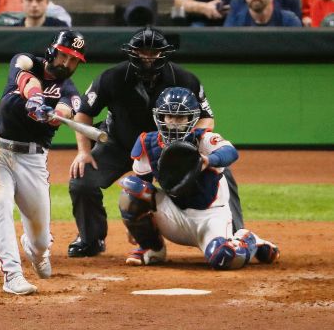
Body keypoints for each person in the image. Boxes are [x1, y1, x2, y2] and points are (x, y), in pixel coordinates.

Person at [66, 26, 244, 258]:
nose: (147, 57)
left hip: (166, 147)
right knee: (81, 180)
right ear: (131, 52)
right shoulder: (112, 77)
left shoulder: (184, 78)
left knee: (221, 171)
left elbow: (206, 118)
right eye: (142, 51)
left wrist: (186, 147)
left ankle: (235, 235)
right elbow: (83, 113)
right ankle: (91, 239)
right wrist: (83, 151)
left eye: (153, 52)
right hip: (117, 144)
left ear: (164, 53)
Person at [117, 86, 280, 270]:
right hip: (174, 214)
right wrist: (134, 226)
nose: (174, 123)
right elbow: (142, 184)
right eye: (169, 116)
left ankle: (247, 239)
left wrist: (207, 160)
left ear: (192, 119)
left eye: (181, 118)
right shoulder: (148, 143)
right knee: (132, 190)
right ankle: (152, 249)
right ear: (160, 117)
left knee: (225, 258)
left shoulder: (204, 139)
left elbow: (230, 152)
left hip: (210, 218)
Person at [0, 30, 87, 295]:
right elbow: (26, 79)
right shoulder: (26, 61)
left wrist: (53, 115)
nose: (67, 64)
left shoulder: (69, 91)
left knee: (40, 241)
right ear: (53, 51)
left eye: (74, 60)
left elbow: (66, 109)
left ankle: (36, 251)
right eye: (64, 56)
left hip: (33, 160)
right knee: (1, 203)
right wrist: (36, 99)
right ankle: (12, 275)